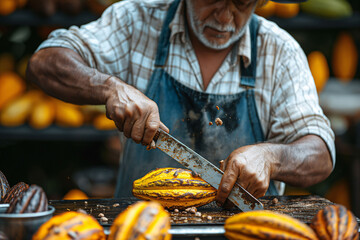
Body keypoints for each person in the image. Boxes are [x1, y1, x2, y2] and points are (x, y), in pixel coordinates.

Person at [27, 0, 335, 207]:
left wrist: (272, 158)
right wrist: (109, 88)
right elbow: (44, 61)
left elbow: (320, 152)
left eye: (241, 3)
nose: (225, 17)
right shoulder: (136, 22)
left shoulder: (279, 51)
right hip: (142, 228)